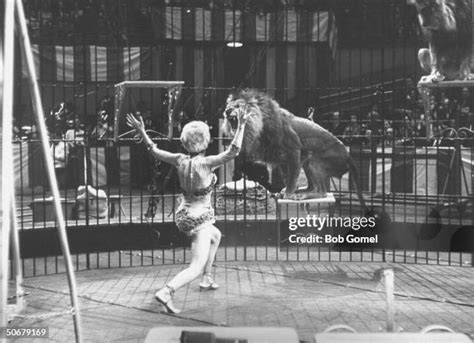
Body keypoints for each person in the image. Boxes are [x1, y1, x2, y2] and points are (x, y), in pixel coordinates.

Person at [126, 107, 250, 314]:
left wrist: (142, 131)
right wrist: (242, 125)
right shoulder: (207, 163)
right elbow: (234, 151)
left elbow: (153, 151)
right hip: (199, 219)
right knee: (196, 265)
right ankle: (167, 291)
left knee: (216, 235)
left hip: (183, 214)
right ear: (205, 141)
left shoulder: (179, 160)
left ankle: (207, 278)